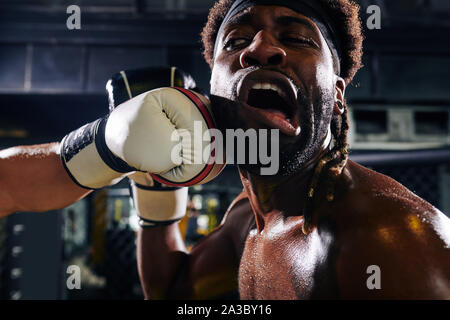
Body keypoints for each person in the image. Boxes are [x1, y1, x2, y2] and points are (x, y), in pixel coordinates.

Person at [137, 0, 450, 299]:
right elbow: (174, 290)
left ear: (338, 94)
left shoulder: (387, 240)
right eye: (236, 41)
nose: (259, 48)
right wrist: (153, 178)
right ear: (212, 90)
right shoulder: (246, 216)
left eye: (297, 38)